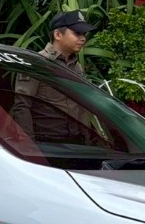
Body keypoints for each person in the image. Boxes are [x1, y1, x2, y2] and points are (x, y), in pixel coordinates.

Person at [12, 9, 97, 142]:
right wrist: (29, 145)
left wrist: (86, 140)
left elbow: (81, 107)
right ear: (57, 34)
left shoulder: (76, 67)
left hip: (75, 142)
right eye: (77, 33)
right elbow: (22, 106)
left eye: (84, 34)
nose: (83, 38)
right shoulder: (37, 63)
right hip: (47, 141)